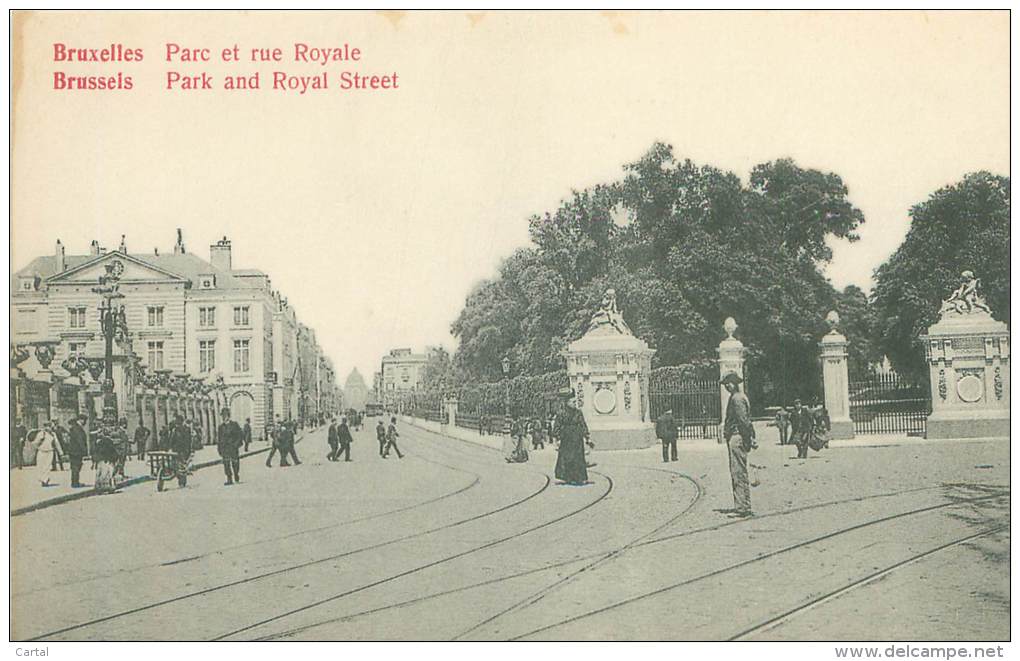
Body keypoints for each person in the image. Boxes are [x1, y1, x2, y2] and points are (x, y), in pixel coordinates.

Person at [722, 372, 755, 517]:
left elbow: (743, 421)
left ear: (735, 383)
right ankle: (744, 505)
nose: (726, 386)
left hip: (737, 437)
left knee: (738, 472)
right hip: (739, 436)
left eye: (728, 383)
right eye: (725, 384)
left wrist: (748, 439)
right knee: (740, 472)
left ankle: (742, 508)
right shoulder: (740, 397)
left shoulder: (736, 399)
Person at [552, 387, 589, 485]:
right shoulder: (561, 413)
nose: (574, 403)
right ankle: (567, 477)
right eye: (572, 402)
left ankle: (578, 477)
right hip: (566, 438)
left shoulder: (578, 412)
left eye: (575, 401)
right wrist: (558, 437)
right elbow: (557, 426)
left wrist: (586, 435)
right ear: (567, 402)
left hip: (577, 438)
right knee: (567, 458)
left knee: (578, 458)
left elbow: (582, 424)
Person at [217, 407, 244, 485]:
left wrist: (236, 444)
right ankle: (229, 478)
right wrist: (219, 449)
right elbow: (219, 438)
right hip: (225, 448)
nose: (223, 417)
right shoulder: (221, 427)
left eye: (225, 416)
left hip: (233, 447)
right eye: (222, 416)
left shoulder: (234, 425)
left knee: (235, 463)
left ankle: (236, 474)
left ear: (228, 416)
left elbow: (240, 435)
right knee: (226, 464)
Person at [34, 422, 63, 487]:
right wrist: (38, 446)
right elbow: (35, 442)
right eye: (47, 426)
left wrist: (61, 452)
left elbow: (57, 443)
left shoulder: (53, 434)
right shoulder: (41, 433)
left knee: (47, 466)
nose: (49, 428)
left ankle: (45, 480)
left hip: (50, 452)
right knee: (40, 466)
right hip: (41, 451)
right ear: (45, 427)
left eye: (50, 426)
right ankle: (42, 479)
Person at [169, 413, 194, 488]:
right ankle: (180, 478)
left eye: (178, 422)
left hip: (183, 450)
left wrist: (188, 451)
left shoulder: (186, 429)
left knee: (182, 466)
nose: (177, 423)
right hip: (175, 450)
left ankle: (182, 481)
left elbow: (188, 441)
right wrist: (170, 448)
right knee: (175, 465)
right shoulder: (174, 430)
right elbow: (171, 440)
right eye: (176, 422)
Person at [93, 424, 118, 493]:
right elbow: (112, 452)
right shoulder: (109, 442)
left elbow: (95, 451)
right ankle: (108, 487)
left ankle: (99, 487)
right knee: (108, 474)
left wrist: (95, 460)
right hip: (107, 460)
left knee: (100, 474)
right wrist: (114, 459)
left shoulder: (99, 442)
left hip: (100, 460)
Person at [66, 415, 89, 488]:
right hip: (76, 451)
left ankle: (75, 482)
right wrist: (84, 450)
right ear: (81, 420)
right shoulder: (77, 428)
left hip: (74, 451)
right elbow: (80, 440)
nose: (85, 422)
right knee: (76, 467)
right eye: (84, 420)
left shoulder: (75, 427)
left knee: (76, 466)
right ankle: (75, 483)